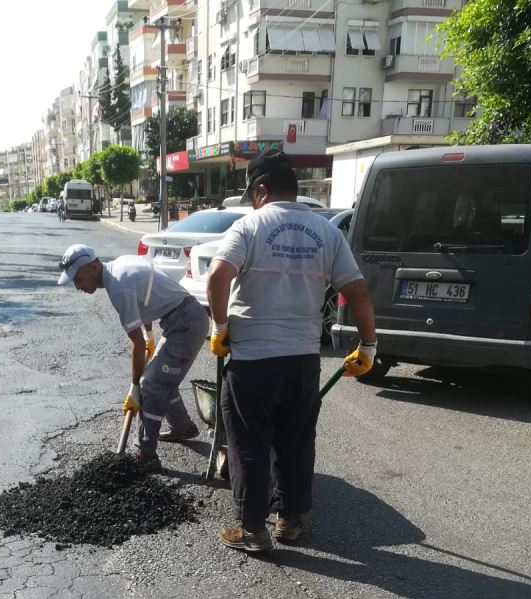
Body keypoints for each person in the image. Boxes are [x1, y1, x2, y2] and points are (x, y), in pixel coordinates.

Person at [206, 148, 377, 554]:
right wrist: (368, 346)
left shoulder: (250, 226)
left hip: (253, 362)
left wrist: (220, 327)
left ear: (261, 190)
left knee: (249, 441)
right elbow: (357, 290)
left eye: (251, 192)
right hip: (302, 361)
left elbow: (217, 277)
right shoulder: (328, 232)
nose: (251, 199)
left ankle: (252, 529)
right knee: (296, 440)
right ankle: (289, 520)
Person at [57, 244, 208, 472]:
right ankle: (183, 427)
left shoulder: (119, 288)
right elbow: (144, 298)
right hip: (183, 318)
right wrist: (149, 335)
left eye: (78, 279)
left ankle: (145, 454)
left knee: (151, 385)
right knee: (161, 376)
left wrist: (135, 387)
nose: (77, 286)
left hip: (186, 325)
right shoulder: (118, 266)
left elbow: (136, 345)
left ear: (93, 267)